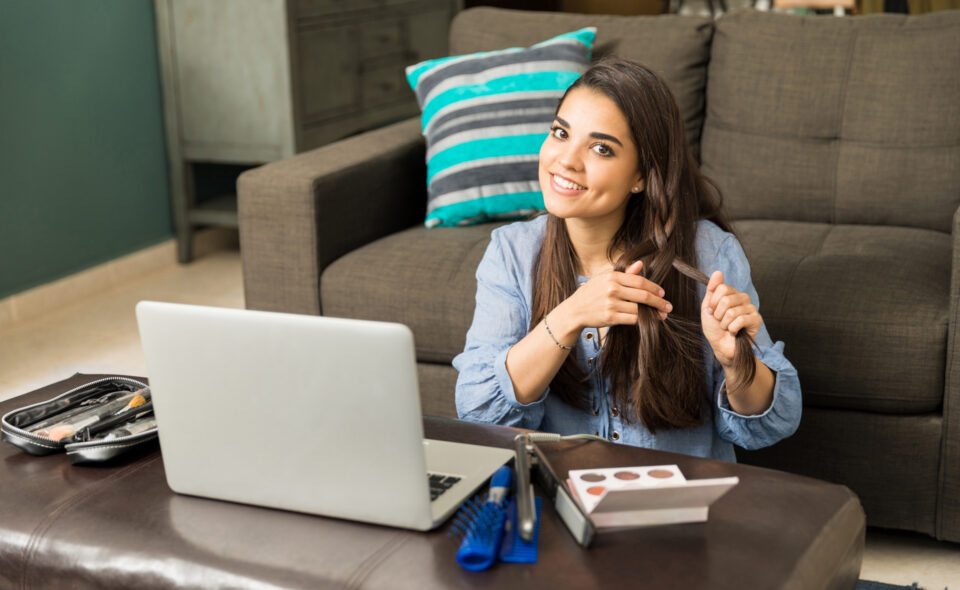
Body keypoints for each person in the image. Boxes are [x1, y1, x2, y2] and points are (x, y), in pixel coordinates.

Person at [452, 58, 801, 462]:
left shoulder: (710, 253)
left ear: (641, 175)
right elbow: (478, 411)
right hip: (561, 501)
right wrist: (569, 317)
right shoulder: (511, 252)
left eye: (601, 148)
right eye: (561, 133)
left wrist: (736, 362)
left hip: (677, 504)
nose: (566, 160)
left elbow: (772, 425)